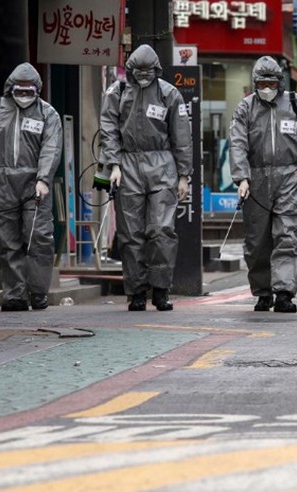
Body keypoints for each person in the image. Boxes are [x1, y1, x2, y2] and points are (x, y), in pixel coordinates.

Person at [100, 44, 192, 311]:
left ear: (156, 70)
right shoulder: (117, 92)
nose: (142, 75)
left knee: (161, 230)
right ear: (130, 69)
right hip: (127, 163)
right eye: (137, 71)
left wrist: (184, 175)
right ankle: (137, 292)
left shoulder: (169, 94)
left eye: (147, 71)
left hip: (162, 164)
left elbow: (182, 138)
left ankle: (161, 289)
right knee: (131, 234)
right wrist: (113, 164)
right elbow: (108, 129)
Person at [0, 63, 62, 311]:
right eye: (20, 90)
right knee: (6, 240)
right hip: (2, 180)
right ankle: (15, 293)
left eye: (30, 91)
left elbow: (51, 147)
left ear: (37, 90)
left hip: (33, 183)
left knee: (38, 236)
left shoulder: (47, 114)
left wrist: (43, 178)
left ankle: (38, 291)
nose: (25, 95)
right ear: (11, 88)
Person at [230, 56, 297, 313]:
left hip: (289, 176)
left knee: (287, 235)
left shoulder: (294, 103)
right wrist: (241, 177)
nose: (267, 87)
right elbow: (237, 143)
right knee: (256, 241)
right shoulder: (245, 108)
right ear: (254, 83)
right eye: (262, 82)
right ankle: (263, 292)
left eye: (271, 82)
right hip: (255, 179)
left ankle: (284, 292)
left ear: (280, 82)